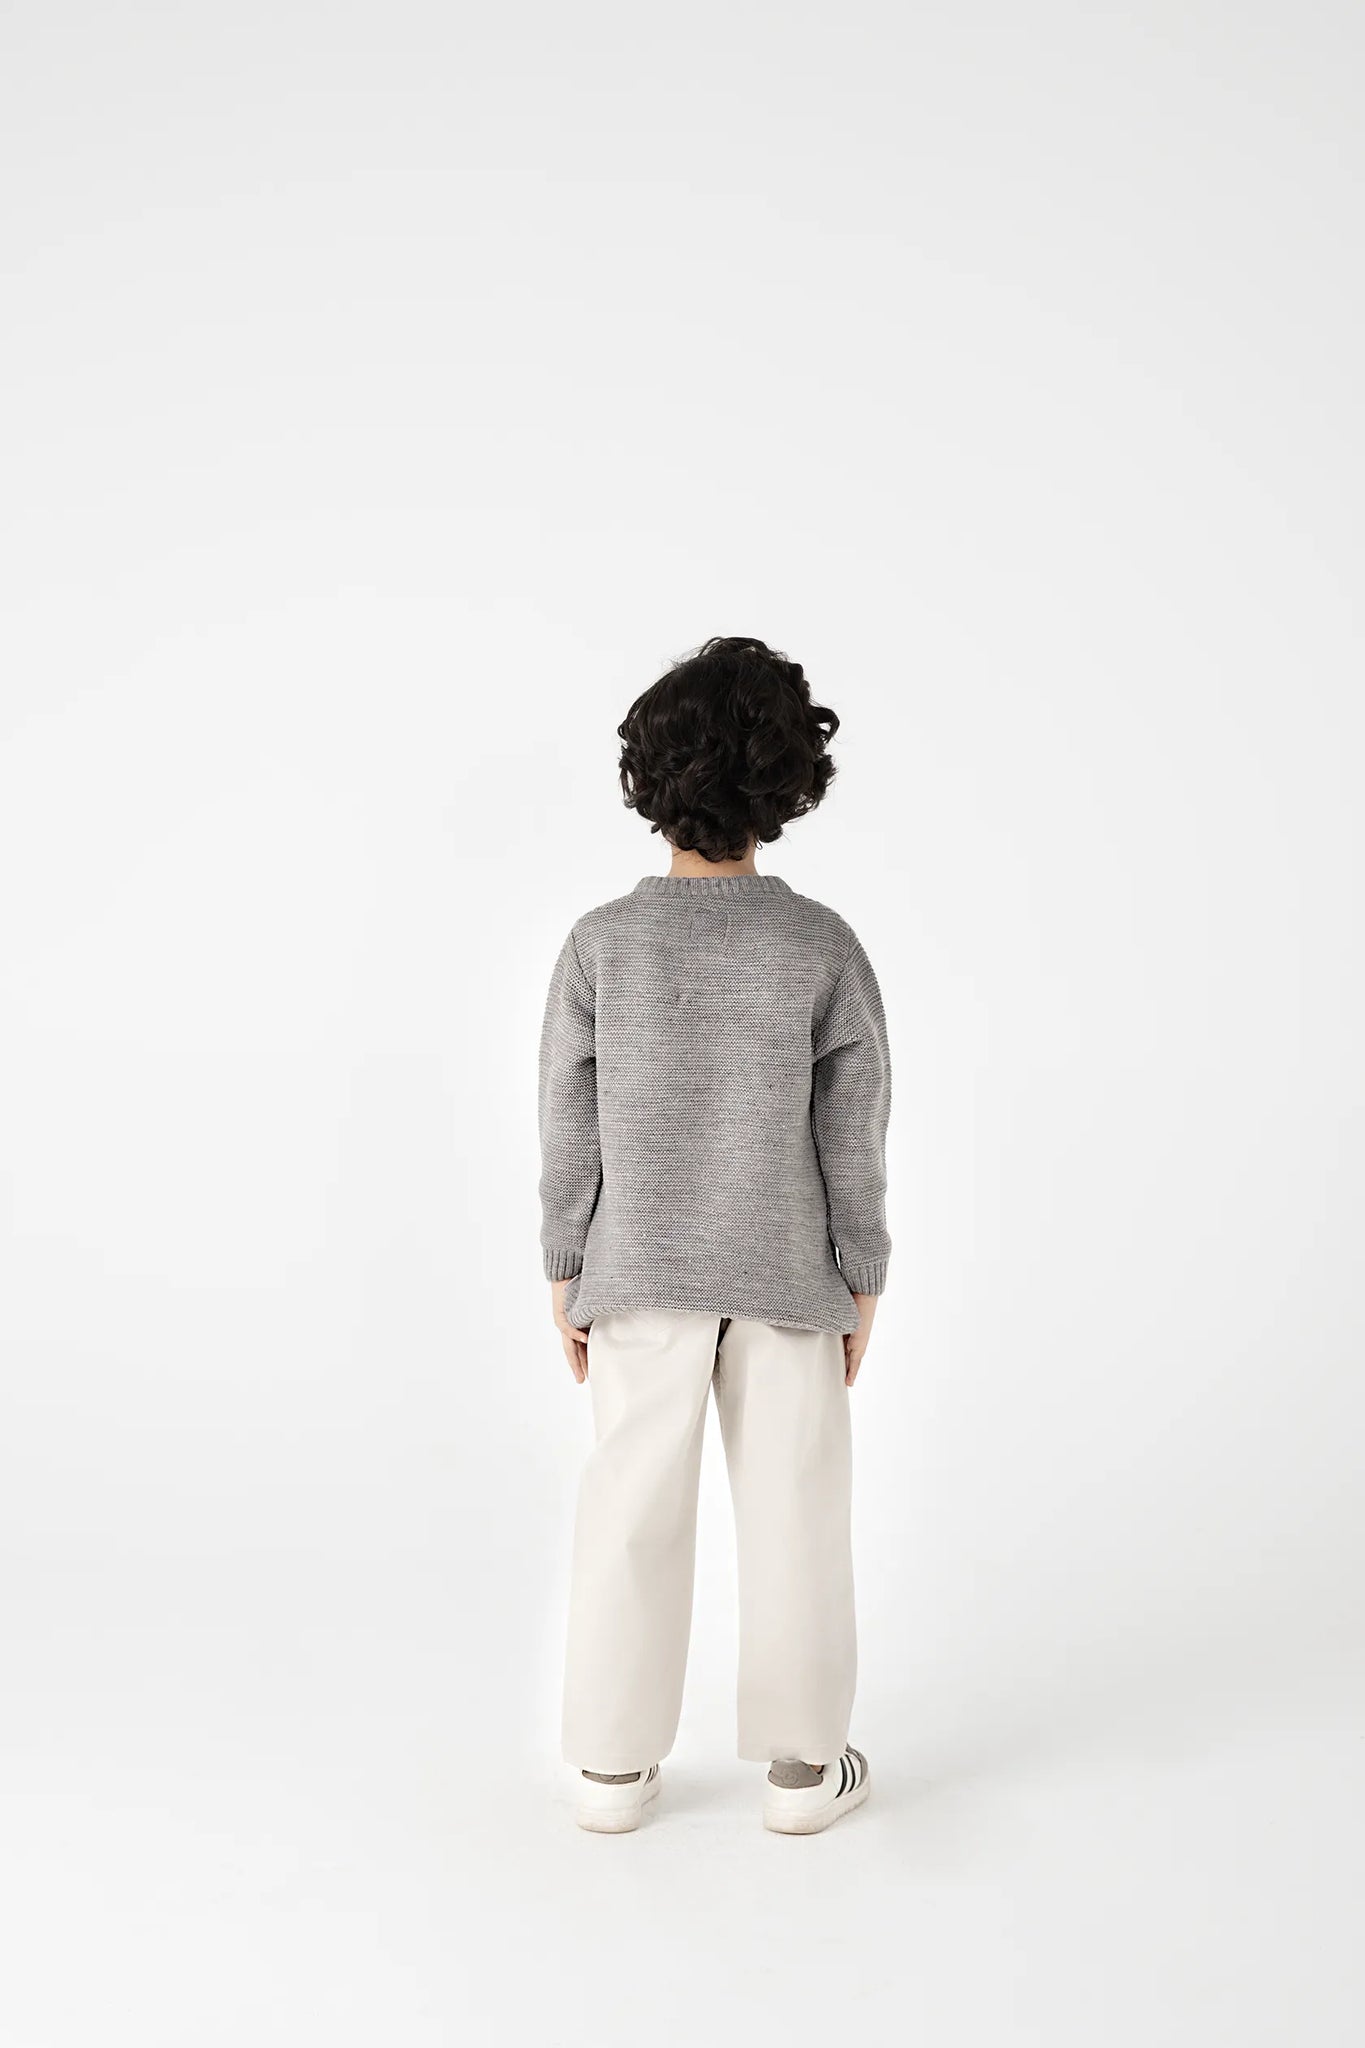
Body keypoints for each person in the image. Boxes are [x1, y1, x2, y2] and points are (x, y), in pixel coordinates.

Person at [538, 636, 891, 1835]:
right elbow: (854, 1127)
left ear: (649, 777)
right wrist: (862, 1274)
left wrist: (565, 1262)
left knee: (630, 1506)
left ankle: (609, 1768)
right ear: (787, 785)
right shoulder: (820, 944)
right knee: (797, 1510)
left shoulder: (601, 944)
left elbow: (568, 1120)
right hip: (787, 1273)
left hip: (639, 1272)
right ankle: (803, 1770)